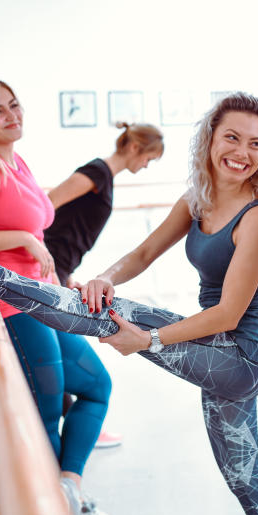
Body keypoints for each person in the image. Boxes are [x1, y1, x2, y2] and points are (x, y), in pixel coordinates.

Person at [0, 92, 258, 515]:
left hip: (239, 359)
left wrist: (151, 340)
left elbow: (229, 314)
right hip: (210, 351)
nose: (242, 153)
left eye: (255, 144)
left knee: (118, 317)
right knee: (245, 482)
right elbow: (142, 255)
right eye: (231, 137)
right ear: (210, 141)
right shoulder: (198, 201)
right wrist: (105, 277)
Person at [0, 73, 125, 515]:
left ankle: (69, 490)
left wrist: (53, 269)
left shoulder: (15, 161)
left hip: (45, 297)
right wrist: (24, 238)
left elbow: (39, 221)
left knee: (95, 385)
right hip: (13, 305)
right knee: (45, 411)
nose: (12, 115)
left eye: (15, 105)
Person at [45, 122, 165, 448]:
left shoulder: (104, 178)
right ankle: (76, 427)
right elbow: (47, 206)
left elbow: (69, 226)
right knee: (60, 348)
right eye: (149, 158)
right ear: (135, 148)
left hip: (60, 268)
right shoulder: (97, 173)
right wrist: (48, 266)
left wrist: (65, 273)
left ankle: (76, 425)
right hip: (48, 268)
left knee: (59, 346)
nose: (145, 166)